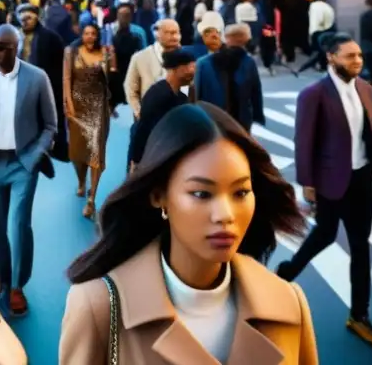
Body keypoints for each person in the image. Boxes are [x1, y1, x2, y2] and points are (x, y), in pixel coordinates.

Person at [60, 102, 315, 363]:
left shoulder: (289, 304)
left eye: (240, 193)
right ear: (159, 196)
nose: (225, 214)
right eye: (202, 194)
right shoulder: (99, 309)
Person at [280, 33, 372, 347]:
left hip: (361, 180)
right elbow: (303, 142)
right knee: (325, 234)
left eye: (359, 55)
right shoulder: (314, 94)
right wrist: (307, 183)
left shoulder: (366, 89)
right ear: (331, 57)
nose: (357, 61)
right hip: (330, 181)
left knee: (360, 246)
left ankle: (359, 316)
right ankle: (283, 277)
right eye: (349, 56)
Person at [0, 24, 57, 317]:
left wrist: (33, 157)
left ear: (17, 48)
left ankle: (17, 285)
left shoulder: (37, 77)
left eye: (2, 47)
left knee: (18, 224)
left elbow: (51, 125)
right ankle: (2, 279)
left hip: (22, 164)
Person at [63, 22, 115, 218]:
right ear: (82, 35)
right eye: (86, 33)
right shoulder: (71, 52)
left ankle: (92, 198)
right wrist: (68, 105)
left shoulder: (105, 53)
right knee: (76, 154)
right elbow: (66, 79)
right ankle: (81, 181)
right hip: (77, 107)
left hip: (99, 108)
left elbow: (108, 80)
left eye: (93, 33)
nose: (90, 37)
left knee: (96, 153)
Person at [128, 49, 197, 169]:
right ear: (175, 69)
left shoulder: (181, 97)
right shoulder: (158, 94)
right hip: (153, 159)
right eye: (188, 67)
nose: (192, 72)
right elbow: (144, 128)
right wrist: (136, 161)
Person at [18, 3, 68, 160]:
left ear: (36, 17)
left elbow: (62, 63)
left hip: (49, 84)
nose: (26, 22)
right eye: (23, 19)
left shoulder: (50, 37)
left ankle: (56, 149)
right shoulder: (16, 37)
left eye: (29, 18)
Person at [192, 24, 264, 132]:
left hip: (212, 117)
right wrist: (258, 115)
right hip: (240, 118)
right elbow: (255, 91)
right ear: (246, 40)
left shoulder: (203, 63)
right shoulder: (248, 62)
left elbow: (196, 93)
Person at [125, 18, 182, 119]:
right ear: (158, 35)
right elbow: (130, 88)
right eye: (170, 33)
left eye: (177, 33)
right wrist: (138, 112)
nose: (174, 37)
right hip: (149, 120)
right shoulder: (140, 57)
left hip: (179, 120)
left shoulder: (188, 58)